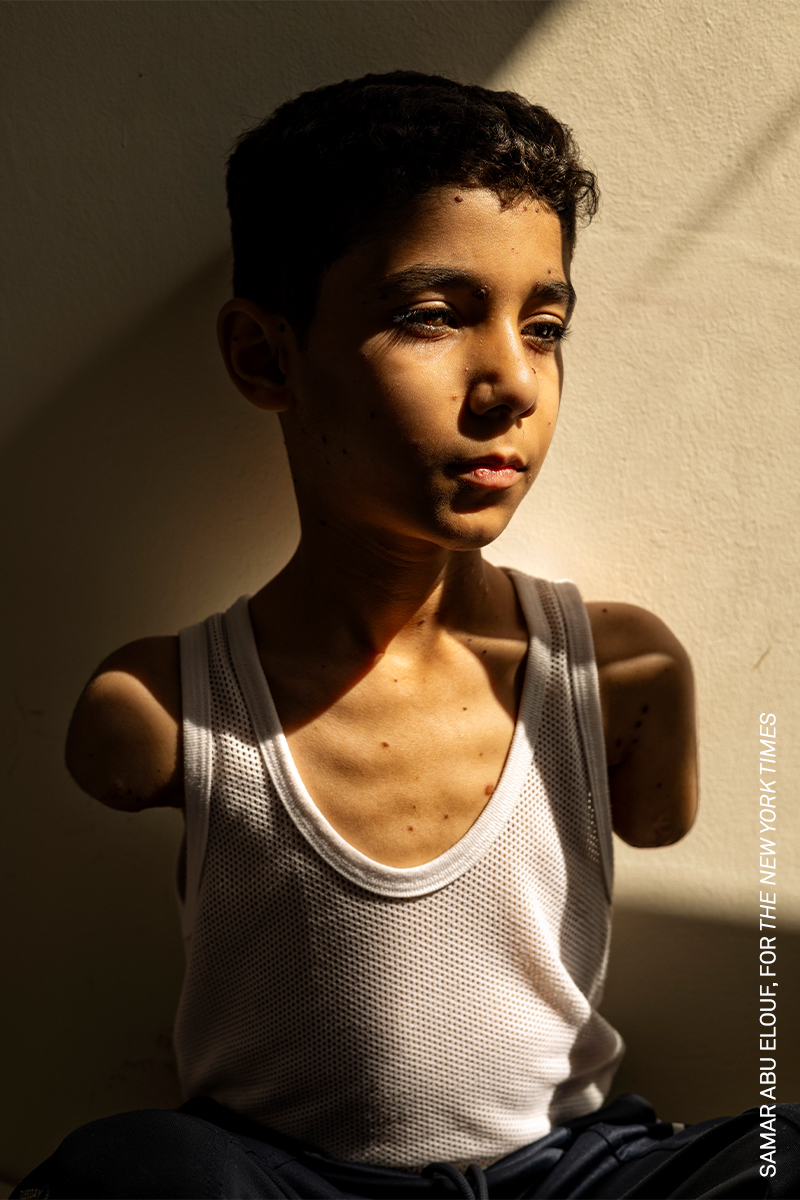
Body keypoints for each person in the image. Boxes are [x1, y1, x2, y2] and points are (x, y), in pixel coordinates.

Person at [12, 71, 797, 1200]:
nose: (509, 383)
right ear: (263, 358)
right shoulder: (163, 708)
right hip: (292, 1179)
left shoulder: (615, 676)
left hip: (570, 1174)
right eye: (431, 318)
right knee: (133, 1172)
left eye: (544, 325)